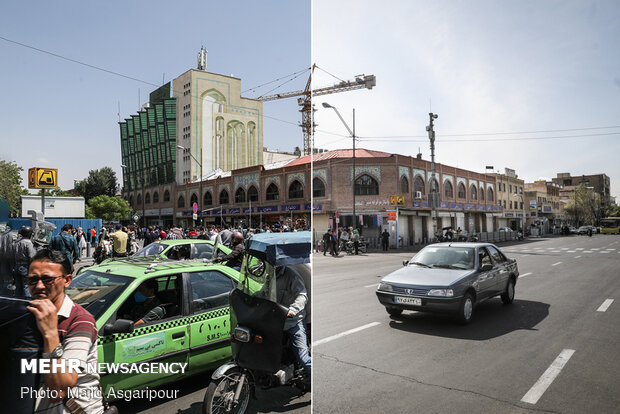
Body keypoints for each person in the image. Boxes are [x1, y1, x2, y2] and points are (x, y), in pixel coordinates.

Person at [26, 249, 104, 413]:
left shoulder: (80, 320)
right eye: (33, 280)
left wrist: (51, 334)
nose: (39, 286)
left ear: (67, 280)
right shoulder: (27, 314)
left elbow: (59, 389)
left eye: (47, 279)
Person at [275, 265, 310, 382]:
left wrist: (292, 310)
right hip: (275, 321)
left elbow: (302, 296)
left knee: (303, 357)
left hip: (293, 321)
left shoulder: (292, 275)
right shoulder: (266, 274)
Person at [13, 225, 35, 298]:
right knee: (26, 286)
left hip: (16, 266)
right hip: (25, 266)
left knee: (18, 287)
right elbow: (31, 256)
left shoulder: (17, 242)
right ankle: (27, 303)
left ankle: (17, 303)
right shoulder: (28, 243)